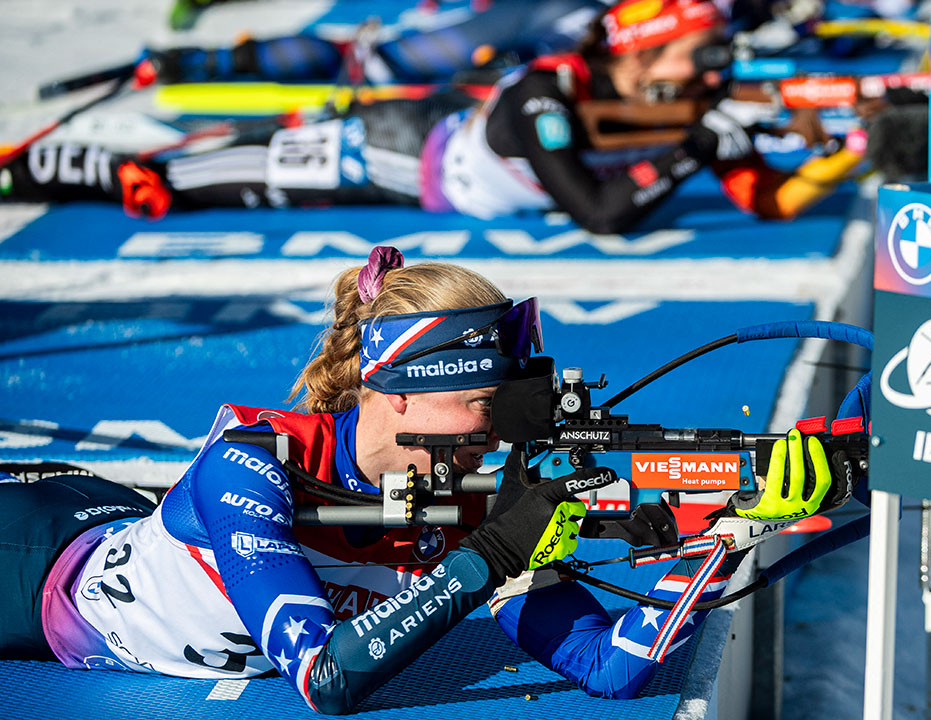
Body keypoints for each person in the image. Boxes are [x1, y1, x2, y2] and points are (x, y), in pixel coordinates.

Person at [0, 246, 850, 712]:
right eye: (484, 405)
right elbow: (328, 681)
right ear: (395, 390)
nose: (499, 438)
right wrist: (491, 550)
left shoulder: (465, 499)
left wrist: (729, 533)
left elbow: (607, 666)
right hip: (31, 559)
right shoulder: (249, 469)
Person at [0, 0, 863, 234]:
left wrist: (852, 151)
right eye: (695, 54)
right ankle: (20, 166)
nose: (708, 71)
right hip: (386, 152)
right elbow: (604, 216)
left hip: (424, 152)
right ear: (640, 56)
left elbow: (767, 200)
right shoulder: (545, 95)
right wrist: (693, 145)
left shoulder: (677, 106)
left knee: (189, 166)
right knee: (177, 177)